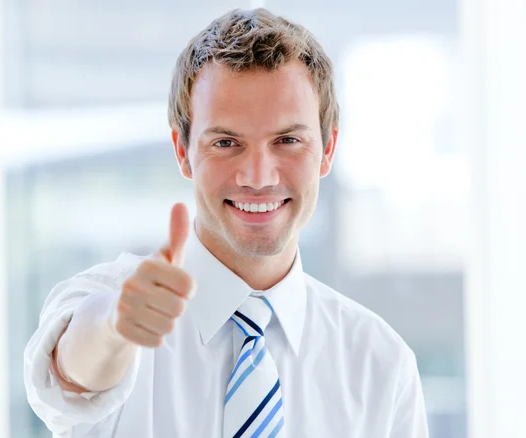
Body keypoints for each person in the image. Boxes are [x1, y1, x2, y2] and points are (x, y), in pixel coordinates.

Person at [24, 8, 429, 438]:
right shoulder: (109, 299)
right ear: (183, 151)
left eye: (288, 141)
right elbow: (74, 370)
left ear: (328, 149)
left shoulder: (380, 364)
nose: (258, 176)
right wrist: (114, 327)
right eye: (226, 142)